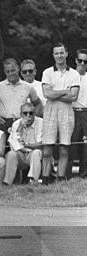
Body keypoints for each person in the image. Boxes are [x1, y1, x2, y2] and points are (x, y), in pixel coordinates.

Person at [41, 43, 80, 183]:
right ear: (53, 55)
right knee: (47, 149)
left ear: (67, 53)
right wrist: (65, 91)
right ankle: (45, 179)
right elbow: (46, 94)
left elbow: (73, 97)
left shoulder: (74, 74)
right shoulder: (47, 72)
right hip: (50, 111)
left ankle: (60, 178)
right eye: (56, 53)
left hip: (67, 112)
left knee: (64, 148)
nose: (59, 56)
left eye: (61, 53)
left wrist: (54, 93)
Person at [0, 58, 41, 135]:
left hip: (21, 123)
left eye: (13, 70)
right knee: (3, 147)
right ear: (5, 72)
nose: (11, 73)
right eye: (8, 71)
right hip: (3, 124)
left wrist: (32, 118)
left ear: (18, 69)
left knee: (21, 146)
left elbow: (38, 104)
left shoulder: (28, 87)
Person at [3, 103, 43, 185]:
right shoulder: (16, 124)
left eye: (31, 113)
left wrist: (26, 145)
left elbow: (41, 144)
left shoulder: (41, 123)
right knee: (11, 154)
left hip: (34, 152)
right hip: (21, 152)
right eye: (25, 113)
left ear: (34, 114)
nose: (28, 115)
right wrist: (20, 129)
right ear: (21, 114)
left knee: (36, 153)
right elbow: (14, 143)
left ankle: (33, 180)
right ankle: (7, 182)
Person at [66, 49, 87, 178]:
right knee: (70, 145)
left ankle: (84, 175)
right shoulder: (69, 76)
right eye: (80, 60)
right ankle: (67, 175)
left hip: (85, 113)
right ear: (75, 60)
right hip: (70, 112)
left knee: (85, 146)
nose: (83, 63)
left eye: (86, 61)